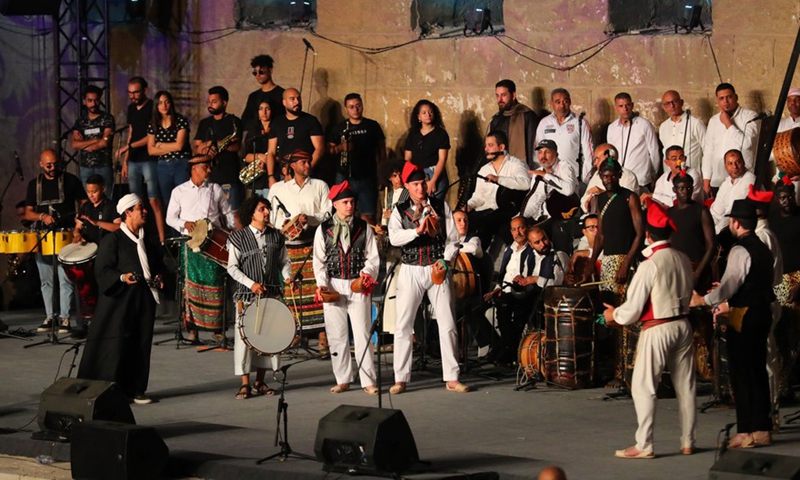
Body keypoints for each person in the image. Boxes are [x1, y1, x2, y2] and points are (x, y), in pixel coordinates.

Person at [604, 199, 696, 459]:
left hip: (657, 328)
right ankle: (688, 441)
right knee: (685, 386)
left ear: (647, 234)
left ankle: (644, 444)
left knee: (644, 386)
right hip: (683, 324)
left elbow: (633, 308)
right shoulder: (683, 258)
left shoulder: (650, 265)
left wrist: (614, 314)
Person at [691, 199, 775, 449]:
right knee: (757, 371)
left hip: (744, 313)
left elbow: (729, 285)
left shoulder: (740, 250)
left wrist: (702, 300)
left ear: (735, 223)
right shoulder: (763, 248)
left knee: (742, 372)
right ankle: (762, 429)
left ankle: (746, 430)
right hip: (763, 311)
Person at [387, 162, 469, 394]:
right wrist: (416, 231)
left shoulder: (439, 205)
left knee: (447, 322)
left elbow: (453, 238)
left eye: (422, 182)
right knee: (403, 325)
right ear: (407, 186)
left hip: (436, 266)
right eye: (415, 184)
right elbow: (394, 238)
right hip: (411, 268)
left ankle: (452, 377)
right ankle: (400, 378)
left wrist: (445, 260)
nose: (421, 188)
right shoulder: (399, 209)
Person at [77, 194, 164, 405]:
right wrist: (122, 277)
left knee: (141, 344)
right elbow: (102, 271)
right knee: (115, 346)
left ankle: (136, 389)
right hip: (119, 302)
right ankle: (110, 389)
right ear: (128, 213)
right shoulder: (113, 240)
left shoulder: (148, 239)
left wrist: (160, 277)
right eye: (140, 207)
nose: (144, 211)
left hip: (143, 299)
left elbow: (158, 264)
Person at [313, 181, 380, 395]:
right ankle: (342, 378)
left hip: (357, 284)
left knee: (362, 333)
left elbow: (372, 258)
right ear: (335, 204)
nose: (349, 206)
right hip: (334, 284)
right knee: (337, 335)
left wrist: (367, 274)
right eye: (345, 202)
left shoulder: (363, 228)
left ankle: (368, 380)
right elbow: (319, 261)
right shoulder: (323, 229)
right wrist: (322, 285)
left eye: (351, 202)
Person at [226, 195, 292, 399]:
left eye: (267, 209)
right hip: (247, 297)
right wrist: (251, 284)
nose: (266, 212)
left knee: (268, 339)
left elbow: (284, 262)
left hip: (271, 295)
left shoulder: (277, 236)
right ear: (251, 213)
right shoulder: (238, 237)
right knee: (245, 339)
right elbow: (232, 268)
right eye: (262, 209)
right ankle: (244, 383)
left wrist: (288, 276)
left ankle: (260, 382)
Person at [166, 156, 235, 343]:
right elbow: (170, 218)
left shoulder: (215, 189)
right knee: (191, 285)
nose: (209, 170)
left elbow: (227, 213)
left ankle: (217, 329)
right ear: (194, 169)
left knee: (215, 283)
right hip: (190, 243)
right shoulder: (179, 191)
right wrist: (184, 223)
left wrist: (231, 233)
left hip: (213, 242)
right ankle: (193, 329)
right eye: (205, 167)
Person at [267, 150, 331, 343]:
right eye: (303, 162)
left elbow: (328, 213)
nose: (307, 165)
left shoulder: (320, 185)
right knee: (292, 288)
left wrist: (309, 219)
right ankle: (296, 331)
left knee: (317, 285)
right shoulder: (279, 189)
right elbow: (272, 217)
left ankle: (322, 333)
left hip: (313, 243)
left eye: (308, 161)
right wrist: (288, 224)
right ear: (292, 165)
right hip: (289, 245)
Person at [24, 149, 87, 335]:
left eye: (55, 164)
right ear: (41, 164)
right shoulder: (34, 184)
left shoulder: (70, 180)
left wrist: (78, 217)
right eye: (48, 165)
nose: (52, 168)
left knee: (65, 278)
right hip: (43, 236)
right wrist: (42, 215)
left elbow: (84, 202)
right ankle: (51, 316)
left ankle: (65, 318)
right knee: (46, 280)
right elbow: (28, 213)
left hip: (64, 235)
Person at [118, 77, 166, 242]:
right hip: (133, 160)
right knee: (135, 202)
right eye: (130, 93)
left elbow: (151, 136)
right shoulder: (131, 108)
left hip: (149, 158)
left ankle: (162, 239)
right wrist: (125, 161)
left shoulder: (152, 107)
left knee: (154, 200)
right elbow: (131, 134)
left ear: (145, 90)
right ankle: (139, 237)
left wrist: (129, 147)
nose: (132, 96)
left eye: (136, 92)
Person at [327, 93, 387, 224]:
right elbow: (328, 151)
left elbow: (382, 151)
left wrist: (382, 174)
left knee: (368, 215)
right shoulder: (339, 128)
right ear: (346, 109)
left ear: (362, 106)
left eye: (358, 106)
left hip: (368, 177)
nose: (355, 109)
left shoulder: (373, 126)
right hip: (344, 176)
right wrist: (340, 148)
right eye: (351, 107)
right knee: (344, 215)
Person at [467, 130, 530, 251]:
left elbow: (525, 183)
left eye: (490, 145)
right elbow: (478, 196)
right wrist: (469, 205)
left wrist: (499, 179)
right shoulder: (484, 170)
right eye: (486, 145)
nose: (486, 149)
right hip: (486, 210)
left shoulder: (516, 164)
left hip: (507, 211)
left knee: (488, 225)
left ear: (501, 147)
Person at [452, 210, 498, 359]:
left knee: (465, 307)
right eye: (458, 220)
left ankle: (490, 345)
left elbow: (473, 249)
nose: (463, 223)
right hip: (458, 289)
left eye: (465, 220)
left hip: (476, 290)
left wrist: (451, 247)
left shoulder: (474, 238)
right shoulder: (447, 239)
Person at [520, 139, 580, 251]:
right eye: (540, 152)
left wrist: (546, 176)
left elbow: (568, 190)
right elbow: (534, 198)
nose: (543, 156)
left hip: (563, 216)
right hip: (543, 216)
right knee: (519, 229)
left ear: (556, 154)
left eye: (547, 152)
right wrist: (522, 217)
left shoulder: (564, 167)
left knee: (542, 232)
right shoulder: (538, 172)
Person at [702, 83, 760, 198]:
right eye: (721, 98)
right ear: (717, 101)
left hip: (741, 178)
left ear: (736, 97)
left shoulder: (750, 116)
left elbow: (747, 144)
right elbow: (708, 151)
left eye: (729, 97)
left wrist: (728, 123)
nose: (726, 101)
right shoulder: (714, 120)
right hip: (717, 179)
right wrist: (706, 179)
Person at [194, 86, 245, 210]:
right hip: (208, 177)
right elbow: (196, 148)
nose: (210, 104)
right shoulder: (204, 123)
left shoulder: (234, 121)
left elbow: (236, 146)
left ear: (224, 102)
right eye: (209, 102)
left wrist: (214, 145)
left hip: (229, 176)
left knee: (232, 216)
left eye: (214, 102)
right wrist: (210, 145)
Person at [667, 172, 716, 292]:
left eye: (689, 188)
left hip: (698, 268)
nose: (685, 191)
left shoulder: (701, 211)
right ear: (675, 189)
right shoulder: (670, 212)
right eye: (681, 188)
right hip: (677, 269)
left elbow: (711, 245)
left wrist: (698, 273)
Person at [266, 88, 325, 186]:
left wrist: (306, 169)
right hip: (285, 176)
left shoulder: (311, 121)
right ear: (284, 102)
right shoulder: (277, 123)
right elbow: (271, 152)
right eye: (292, 99)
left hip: (308, 175)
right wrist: (271, 176)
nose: (297, 102)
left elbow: (320, 149)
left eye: (298, 98)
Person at [535, 88, 594, 183]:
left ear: (570, 102)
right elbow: (537, 152)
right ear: (552, 103)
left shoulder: (580, 122)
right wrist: (542, 174)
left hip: (574, 178)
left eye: (565, 101)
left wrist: (585, 179)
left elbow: (589, 154)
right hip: (550, 177)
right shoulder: (544, 123)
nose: (562, 105)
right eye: (558, 102)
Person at [147, 90, 192, 211]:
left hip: (181, 163)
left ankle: (186, 230)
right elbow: (151, 150)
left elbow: (179, 146)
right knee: (169, 204)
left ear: (171, 103)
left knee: (184, 201)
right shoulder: (153, 124)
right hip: (163, 166)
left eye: (166, 102)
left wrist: (160, 145)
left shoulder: (180, 120)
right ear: (156, 105)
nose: (164, 105)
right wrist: (169, 147)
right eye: (160, 103)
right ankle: (174, 230)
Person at [606, 92, 661, 188]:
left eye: (627, 105)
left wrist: (652, 175)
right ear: (616, 108)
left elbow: (654, 152)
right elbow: (611, 153)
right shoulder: (612, 128)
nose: (625, 109)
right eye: (621, 106)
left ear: (632, 105)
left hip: (640, 179)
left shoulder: (644, 125)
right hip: (620, 180)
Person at [71, 85, 115, 193]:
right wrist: (94, 140)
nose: (93, 104)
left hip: (103, 165)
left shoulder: (107, 118)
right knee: (88, 199)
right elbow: (75, 145)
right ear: (84, 101)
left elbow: (104, 143)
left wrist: (84, 144)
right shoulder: (80, 122)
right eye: (90, 101)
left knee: (106, 197)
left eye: (96, 100)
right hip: (86, 167)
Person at [404, 99, 451, 198]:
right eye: (424, 113)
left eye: (430, 112)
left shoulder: (441, 134)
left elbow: (442, 159)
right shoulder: (413, 133)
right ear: (418, 116)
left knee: (434, 208)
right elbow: (407, 157)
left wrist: (433, 181)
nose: (428, 115)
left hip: (434, 173)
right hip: (417, 174)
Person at [488, 79, 539, 167]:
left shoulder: (527, 116)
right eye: (497, 96)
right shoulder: (497, 119)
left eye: (503, 95)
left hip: (522, 168)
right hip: (501, 168)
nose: (500, 100)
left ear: (513, 95)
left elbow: (533, 147)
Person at [580, 144, 640, 212]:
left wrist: (603, 193)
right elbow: (585, 198)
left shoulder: (628, 176)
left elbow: (626, 203)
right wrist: (587, 203)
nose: (595, 163)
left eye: (598, 159)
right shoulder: (597, 175)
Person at [710, 149, 756, 234]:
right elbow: (716, 213)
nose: (735, 167)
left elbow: (733, 213)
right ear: (725, 166)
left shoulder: (749, 180)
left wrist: (715, 233)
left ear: (743, 162)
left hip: (742, 229)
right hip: (724, 230)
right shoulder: (725, 184)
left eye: (738, 162)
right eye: (730, 164)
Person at [658, 90, 706, 171]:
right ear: (664, 107)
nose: (672, 106)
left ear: (681, 102)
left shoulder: (695, 123)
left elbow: (707, 150)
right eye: (667, 103)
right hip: (670, 176)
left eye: (675, 101)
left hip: (691, 176)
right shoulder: (663, 126)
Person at [73, 174, 121, 245]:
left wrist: (97, 223)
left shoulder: (111, 206)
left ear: (103, 189)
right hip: (87, 247)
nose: (91, 195)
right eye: (88, 192)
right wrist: (77, 235)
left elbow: (119, 227)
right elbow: (77, 228)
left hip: (105, 247)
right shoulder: (86, 206)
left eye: (94, 192)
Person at [241, 54, 285, 126]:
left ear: (270, 70)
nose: (258, 75)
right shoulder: (253, 97)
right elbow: (245, 120)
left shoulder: (282, 94)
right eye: (255, 73)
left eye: (261, 72)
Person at [242, 101, 273, 198]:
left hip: (272, 177)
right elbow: (245, 156)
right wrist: (259, 156)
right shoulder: (252, 131)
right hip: (256, 179)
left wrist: (268, 159)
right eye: (261, 109)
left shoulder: (277, 129)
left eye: (267, 108)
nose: (264, 112)